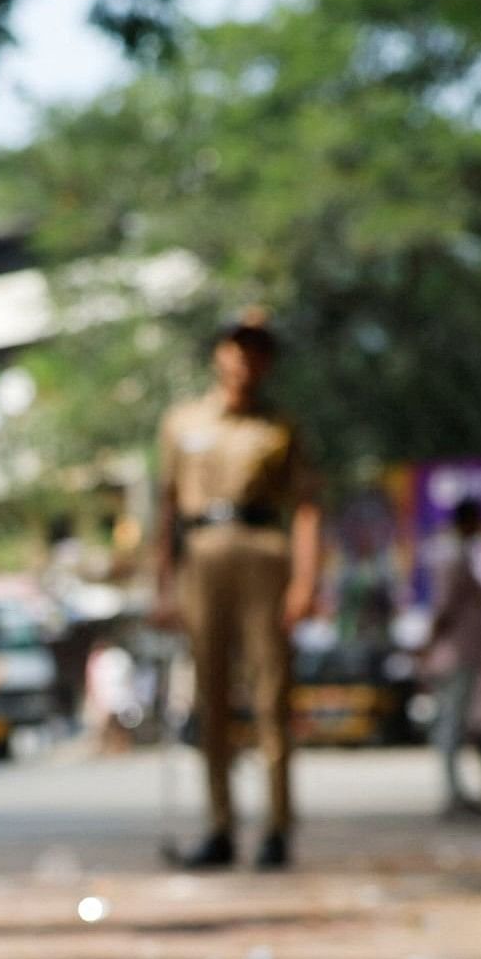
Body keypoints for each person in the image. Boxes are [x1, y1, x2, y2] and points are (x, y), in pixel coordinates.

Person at [156, 312, 321, 871]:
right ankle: (220, 826)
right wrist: (163, 585)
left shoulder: (279, 427)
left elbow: (306, 508)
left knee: (271, 694)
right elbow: (166, 509)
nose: (245, 360)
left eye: (257, 351)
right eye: (236, 347)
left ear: (267, 362)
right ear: (219, 355)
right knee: (211, 698)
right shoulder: (182, 423)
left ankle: (277, 826)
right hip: (201, 557)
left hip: (262, 554)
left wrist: (305, 580)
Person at [422, 500, 481, 817]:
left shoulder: (461, 553)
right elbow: (444, 607)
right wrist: (429, 642)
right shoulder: (454, 556)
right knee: (451, 723)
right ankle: (452, 792)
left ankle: (456, 790)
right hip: (456, 653)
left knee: (458, 723)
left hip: (462, 651)